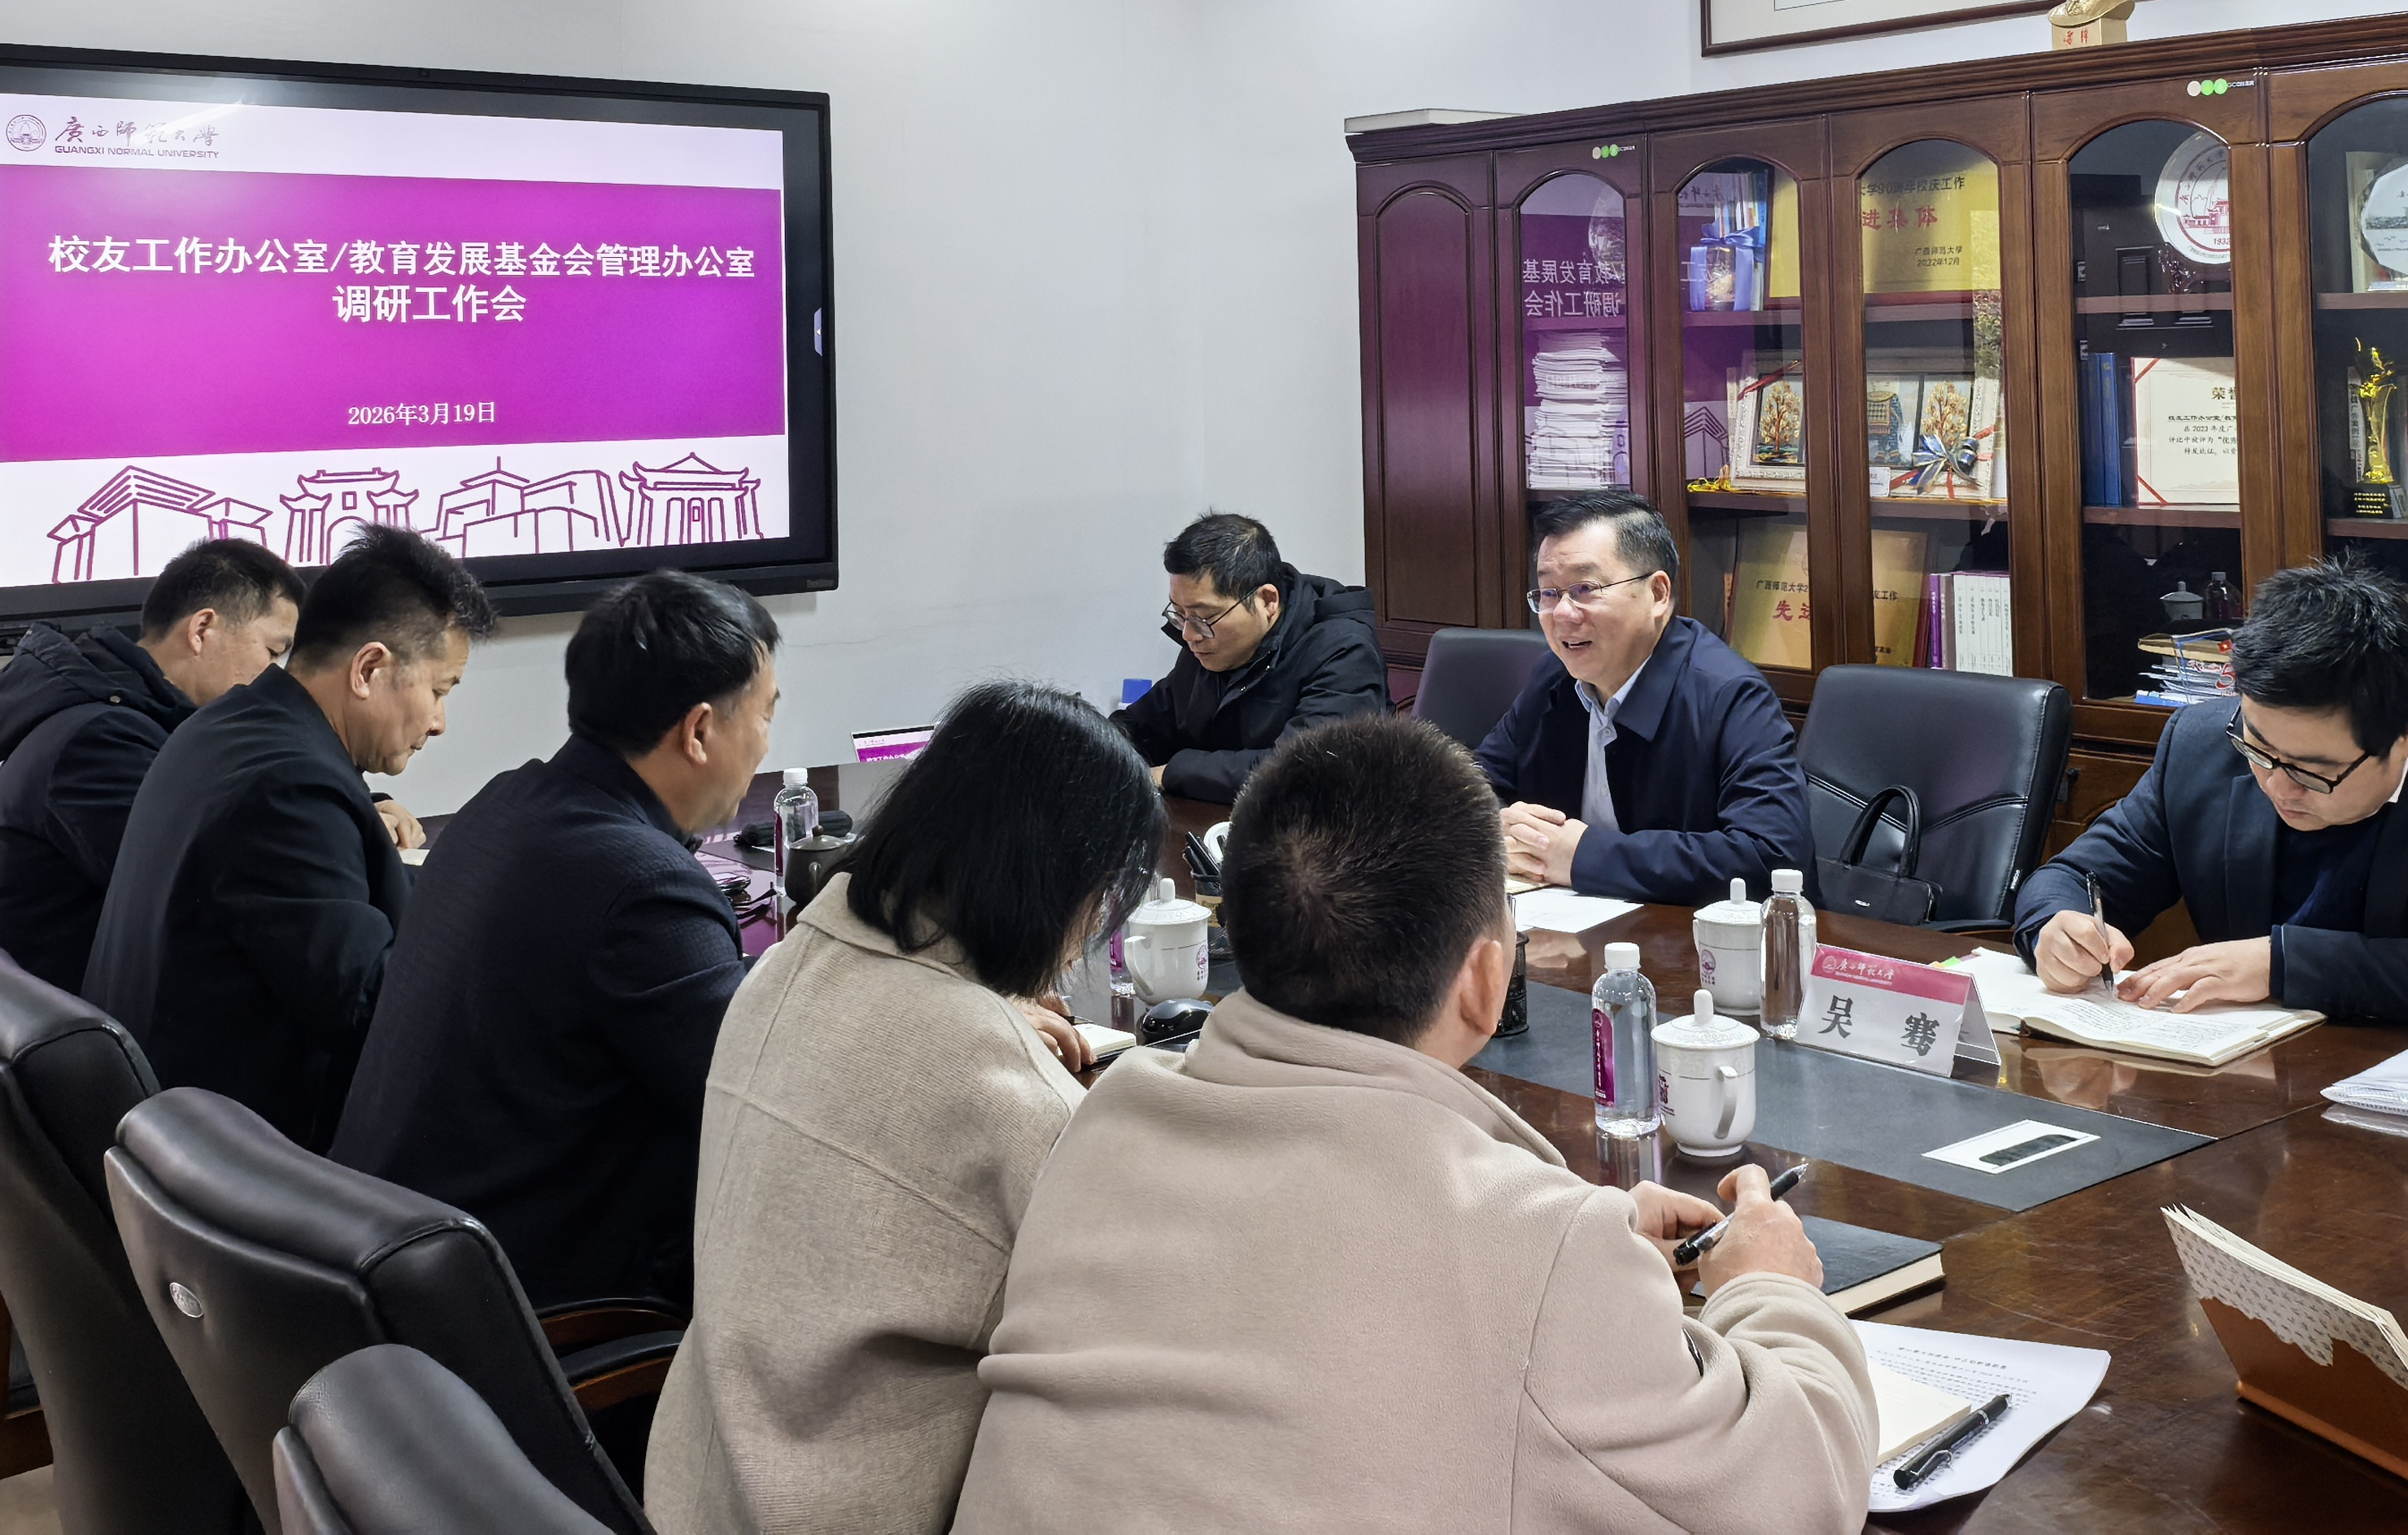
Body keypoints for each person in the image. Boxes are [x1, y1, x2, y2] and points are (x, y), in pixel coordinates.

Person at [952, 717, 1877, 1535]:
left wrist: (1575, 1239)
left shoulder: (1104, 1120)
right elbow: (1797, 1496)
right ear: (1484, 980)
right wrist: (1768, 1288)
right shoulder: (1536, 1251)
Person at [645, 681, 1161, 1535]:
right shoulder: (991, 1083)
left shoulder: (788, 963)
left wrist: (987, 1014)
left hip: (700, 1487)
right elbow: (1130, 1330)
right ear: (1059, 883)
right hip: (847, 1507)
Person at [333, 572, 776, 1310]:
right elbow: (762, 1102)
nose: (766, 742)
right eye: (764, 714)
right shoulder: (641, 886)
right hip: (522, 1314)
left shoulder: (505, 803)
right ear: (699, 732)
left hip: (392, 1266)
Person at [2014, 552, 2408, 1030]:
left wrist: (2282, 964)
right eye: (2259, 749)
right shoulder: (2202, 742)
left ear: (2407, 735)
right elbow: (2073, 877)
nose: (2277, 785)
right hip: (2245, 1072)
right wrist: (2057, 927)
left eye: (2315, 770)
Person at [85, 525, 491, 1147]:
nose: (439, 723)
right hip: (231, 1157)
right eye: (438, 691)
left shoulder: (228, 723)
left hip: (164, 1127)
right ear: (369, 668)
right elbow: (375, 1013)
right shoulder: (288, 787)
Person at [0, 538, 305, 994]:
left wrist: (350, 810)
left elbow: (230, 812)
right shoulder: (99, 742)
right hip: (62, 1028)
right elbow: (209, 883)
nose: (277, 675)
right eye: (273, 651)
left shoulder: (137, 723)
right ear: (202, 629)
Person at [1472, 490, 1810, 905]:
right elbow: (1471, 787)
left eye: (1584, 588)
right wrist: (1498, 827)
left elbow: (1772, 857)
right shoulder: (1555, 679)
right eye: (1548, 593)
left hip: (1687, 936)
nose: (1561, 614)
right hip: (1567, 929)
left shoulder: (1730, 695)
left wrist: (1584, 856)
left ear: (1658, 594)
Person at [1115, 511, 1387, 801]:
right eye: (1180, 614)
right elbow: (1144, 726)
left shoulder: (1344, 652)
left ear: (1268, 601)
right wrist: (1097, 748)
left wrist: (1173, 773)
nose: (1189, 634)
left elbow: (1305, 771)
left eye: (1204, 616)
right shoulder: (1208, 644)